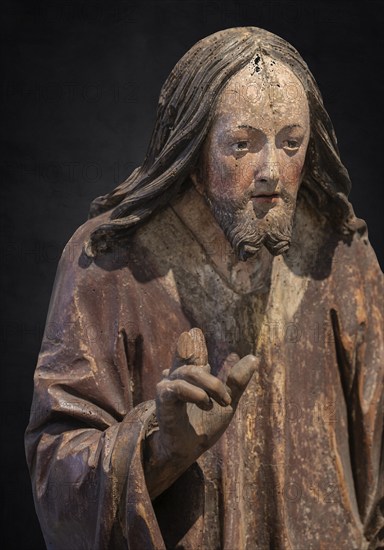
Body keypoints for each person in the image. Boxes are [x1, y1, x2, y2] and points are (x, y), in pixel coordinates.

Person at [25, 27, 383, 549]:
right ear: (194, 148)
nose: (271, 173)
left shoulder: (341, 258)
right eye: (241, 144)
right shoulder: (109, 266)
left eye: (290, 143)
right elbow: (56, 470)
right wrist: (161, 445)